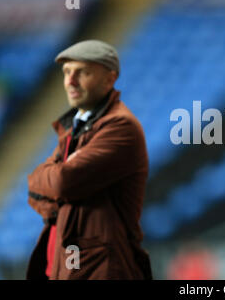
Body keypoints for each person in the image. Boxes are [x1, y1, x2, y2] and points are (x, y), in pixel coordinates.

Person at [26, 40, 152, 280]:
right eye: (66, 73)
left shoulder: (120, 126)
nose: (70, 81)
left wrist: (59, 184)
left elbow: (64, 182)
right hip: (67, 267)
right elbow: (34, 189)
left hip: (99, 270)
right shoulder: (75, 127)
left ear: (109, 78)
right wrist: (58, 186)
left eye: (82, 72)